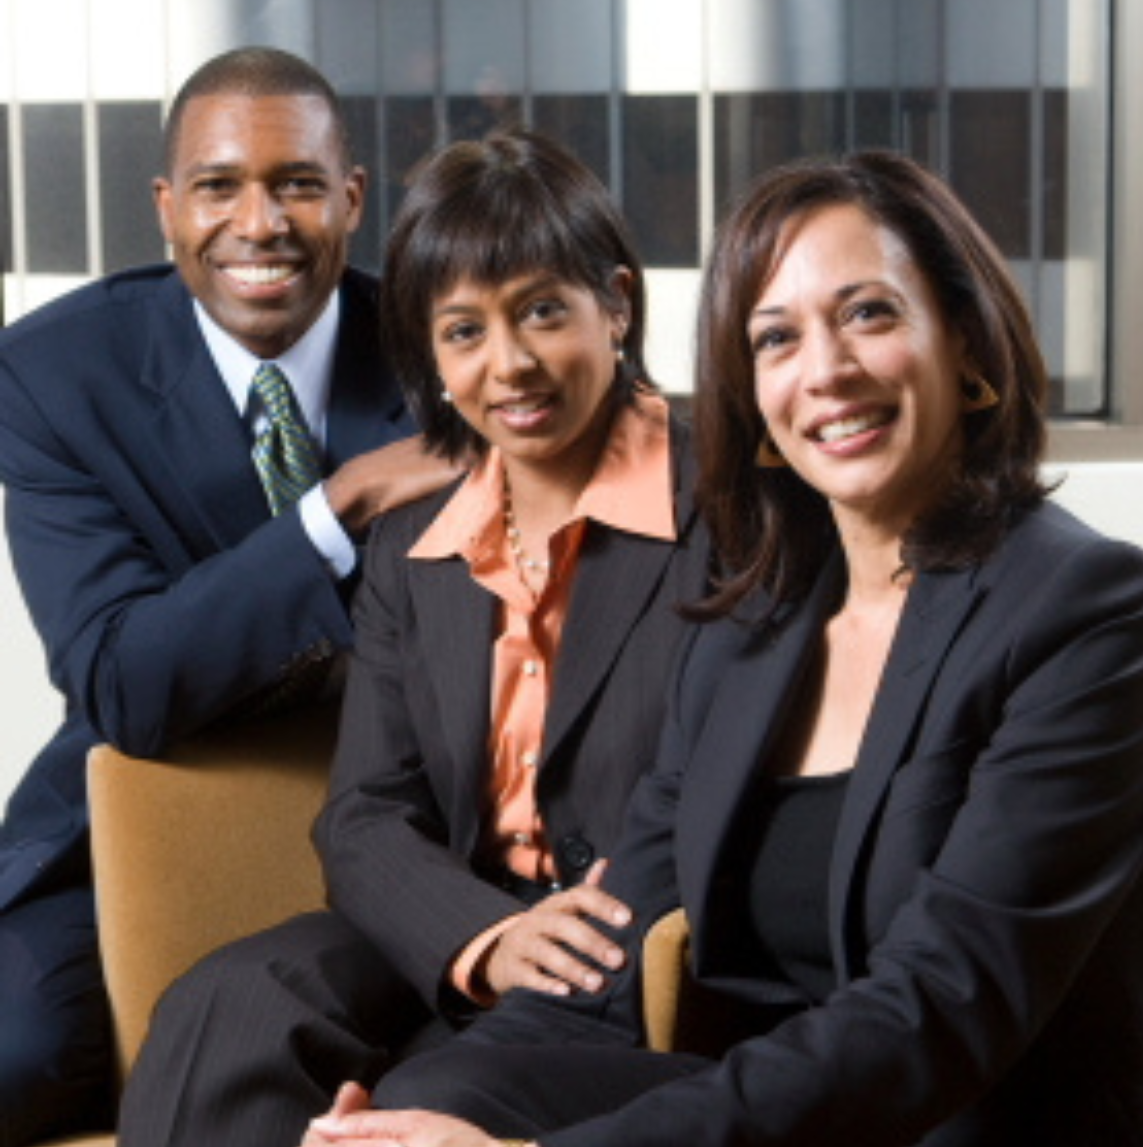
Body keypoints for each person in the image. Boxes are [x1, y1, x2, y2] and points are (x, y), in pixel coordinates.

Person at [302, 151, 1143, 1146]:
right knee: (435, 1103)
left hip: (971, 1116)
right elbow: (609, 956)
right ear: (755, 398)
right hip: (768, 1115)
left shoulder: (1093, 613)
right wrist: (414, 1113)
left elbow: (938, 1010)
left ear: (969, 346)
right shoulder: (749, 633)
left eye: (870, 314)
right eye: (777, 338)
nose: (826, 371)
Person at [115, 127, 709, 1147]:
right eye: (463, 332)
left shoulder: (727, 513)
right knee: (229, 1004)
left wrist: (554, 941)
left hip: (635, 941)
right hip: (460, 916)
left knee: (426, 1096)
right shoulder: (412, 542)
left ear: (616, 302)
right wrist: (484, 934)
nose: (508, 365)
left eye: (542, 313)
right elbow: (365, 813)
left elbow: (724, 788)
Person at [0, 46, 458, 1147]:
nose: (260, 223)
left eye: (297, 183)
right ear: (167, 208)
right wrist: (335, 507)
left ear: (351, 197)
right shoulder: (54, 373)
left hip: (423, 824)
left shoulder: (450, 351)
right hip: (119, 817)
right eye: (219, 186)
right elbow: (121, 680)